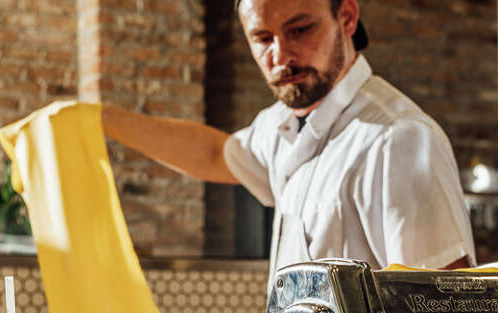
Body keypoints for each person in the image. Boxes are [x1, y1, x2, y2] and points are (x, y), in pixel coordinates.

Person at [101, 0, 475, 277]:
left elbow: (445, 307)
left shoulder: (398, 140)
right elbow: (215, 154)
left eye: (300, 30)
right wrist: (98, 118)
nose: (281, 56)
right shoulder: (279, 127)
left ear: (346, 16)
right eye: (263, 38)